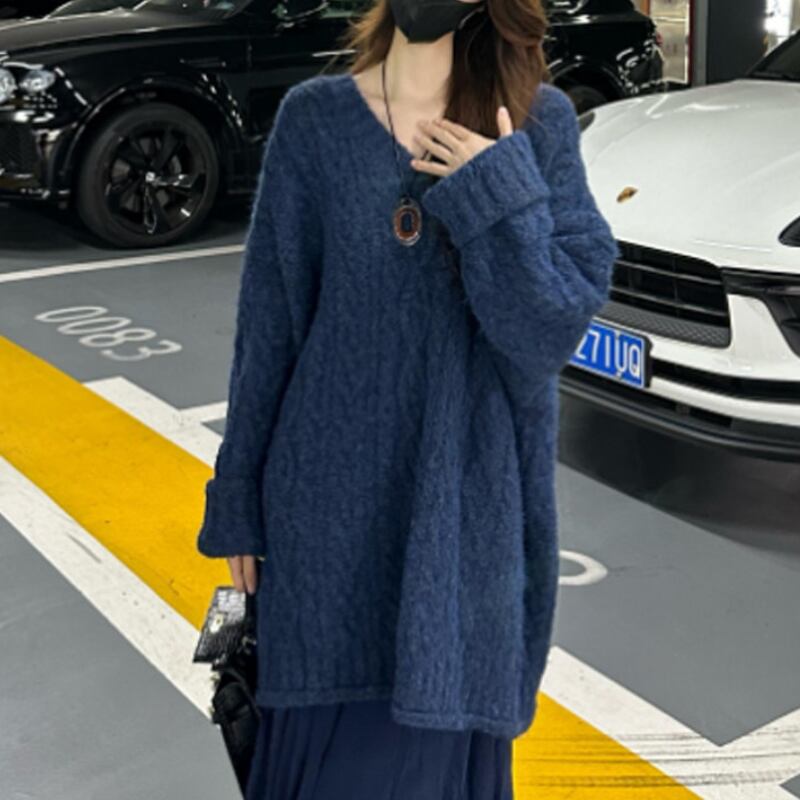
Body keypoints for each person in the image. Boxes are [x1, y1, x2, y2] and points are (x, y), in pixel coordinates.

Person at [195, 0, 619, 794]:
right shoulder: (314, 121)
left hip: (462, 523)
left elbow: (547, 332)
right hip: (324, 526)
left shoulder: (537, 122)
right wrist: (238, 495)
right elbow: (269, 331)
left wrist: (495, 192)